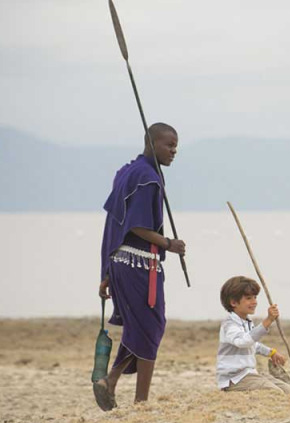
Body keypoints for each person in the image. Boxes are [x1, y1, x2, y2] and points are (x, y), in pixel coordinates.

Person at [94, 123, 186, 410]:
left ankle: (110, 381)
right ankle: (140, 402)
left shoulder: (127, 172)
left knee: (140, 328)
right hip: (139, 264)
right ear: (151, 143)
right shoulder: (147, 178)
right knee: (152, 326)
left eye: (176, 146)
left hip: (120, 262)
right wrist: (170, 243)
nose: (173, 151)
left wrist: (107, 272)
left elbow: (114, 225)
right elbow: (136, 225)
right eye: (169, 145)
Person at [216, 276, 290, 393]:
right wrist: (267, 321)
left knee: (287, 390)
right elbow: (243, 342)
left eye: (255, 297)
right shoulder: (229, 325)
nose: (254, 302)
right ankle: (232, 392)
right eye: (248, 298)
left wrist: (271, 352)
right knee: (275, 392)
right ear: (233, 302)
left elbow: (252, 344)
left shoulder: (246, 322)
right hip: (235, 379)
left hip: (249, 374)